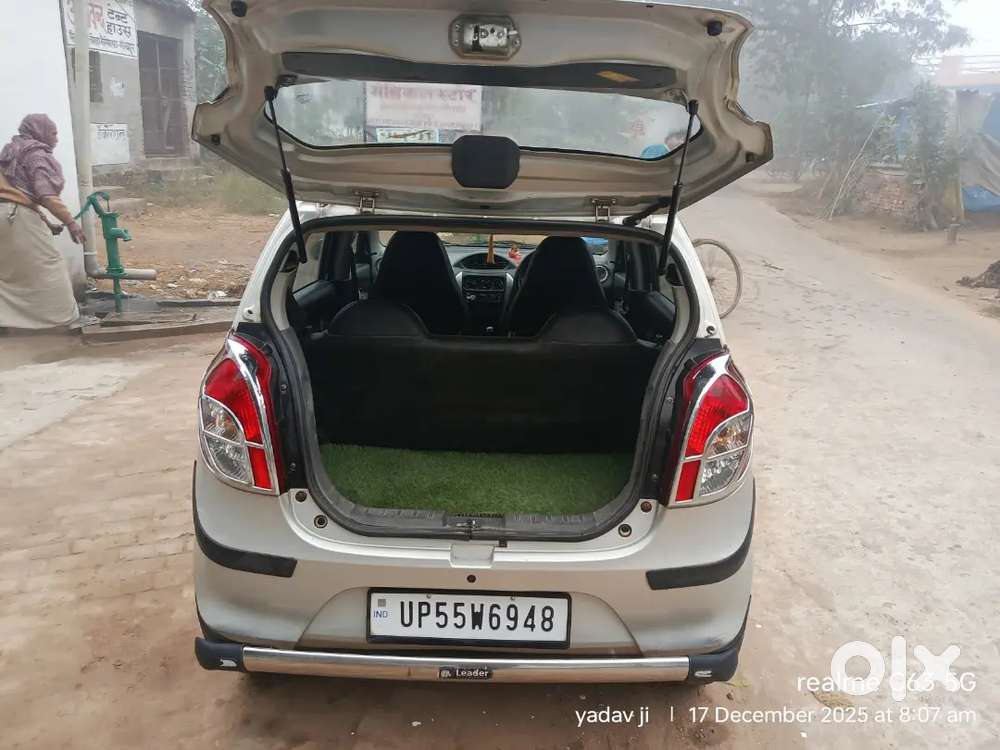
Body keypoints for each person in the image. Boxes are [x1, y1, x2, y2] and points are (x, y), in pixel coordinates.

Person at [0, 114, 88, 331]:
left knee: (11, 274)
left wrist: (47, 223)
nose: (57, 139)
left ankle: (8, 321)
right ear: (39, 131)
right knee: (49, 266)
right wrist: (70, 222)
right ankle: (60, 321)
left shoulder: (11, 151)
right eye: (53, 133)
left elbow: (18, 194)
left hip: (6, 215)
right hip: (14, 217)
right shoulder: (36, 155)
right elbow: (46, 195)